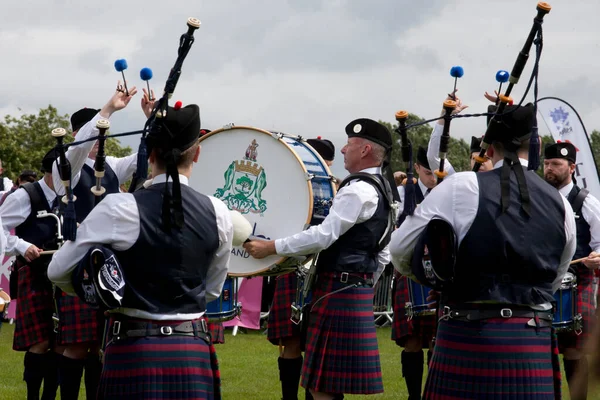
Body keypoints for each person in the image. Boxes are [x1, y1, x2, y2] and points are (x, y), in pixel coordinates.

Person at [390, 103, 576, 399]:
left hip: (465, 333)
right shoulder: (561, 203)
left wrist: (436, 279)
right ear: (535, 144)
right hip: (533, 337)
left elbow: (400, 250)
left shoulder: (461, 186)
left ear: (488, 150)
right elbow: (556, 275)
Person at [48, 103, 233, 399]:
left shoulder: (118, 207)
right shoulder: (220, 212)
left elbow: (57, 270)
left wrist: (96, 291)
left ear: (150, 154)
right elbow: (212, 289)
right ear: (196, 153)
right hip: (193, 347)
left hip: (132, 348)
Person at [244, 118, 393, 400]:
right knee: (325, 385)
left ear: (364, 150)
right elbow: (383, 249)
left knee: (321, 387)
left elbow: (324, 235)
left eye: (349, 144)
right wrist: (365, 285)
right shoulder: (383, 187)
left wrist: (273, 246)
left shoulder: (357, 190)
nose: (344, 149)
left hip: (339, 288)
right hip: (352, 289)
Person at [51, 83, 138, 399]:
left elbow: (143, 157)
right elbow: (75, 150)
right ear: (82, 134)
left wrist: (153, 116)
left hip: (115, 267)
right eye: (96, 134)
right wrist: (108, 110)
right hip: (81, 264)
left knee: (105, 345)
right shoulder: (66, 168)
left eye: (105, 135)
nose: (102, 141)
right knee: (77, 345)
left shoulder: (112, 167)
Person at [267, 136, 335, 400]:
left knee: (316, 344)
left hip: (322, 270)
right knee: (291, 339)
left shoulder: (337, 190)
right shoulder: (288, 187)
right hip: (292, 267)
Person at [0, 148, 61, 400]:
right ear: (53, 172)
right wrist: (22, 246)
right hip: (34, 274)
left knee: (61, 345)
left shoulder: (72, 195)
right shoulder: (25, 196)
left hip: (65, 278)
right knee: (40, 343)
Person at [543, 141, 600, 400]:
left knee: (574, 350)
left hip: (579, 282)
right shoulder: (540, 200)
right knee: (544, 348)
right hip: (543, 283)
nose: (549, 169)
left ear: (572, 167)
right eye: (546, 164)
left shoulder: (587, 203)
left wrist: (596, 257)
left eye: (556, 164)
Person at [391, 146, 437, 400]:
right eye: (428, 173)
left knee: (436, 338)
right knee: (411, 340)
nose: (433, 178)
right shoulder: (402, 193)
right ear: (417, 169)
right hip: (409, 272)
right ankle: (413, 396)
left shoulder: (445, 191)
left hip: (437, 273)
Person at [427, 92, 493, 174]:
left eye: (486, 158)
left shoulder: (503, 183)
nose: (479, 162)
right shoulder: (461, 183)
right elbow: (434, 158)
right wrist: (445, 114)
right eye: (474, 159)